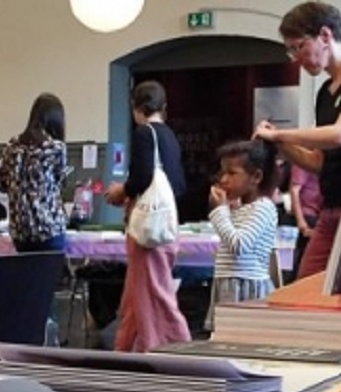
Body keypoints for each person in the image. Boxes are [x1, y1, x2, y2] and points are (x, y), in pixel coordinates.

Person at [253, 1, 341, 279]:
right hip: (332, 208)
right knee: (306, 287)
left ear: (325, 36)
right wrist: (280, 144)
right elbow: (318, 162)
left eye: (298, 47)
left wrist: (279, 133)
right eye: (290, 50)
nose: (295, 58)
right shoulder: (325, 92)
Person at [104, 80, 191, 352]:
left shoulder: (144, 133)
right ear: (164, 107)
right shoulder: (170, 136)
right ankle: (124, 348)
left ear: (135, 107)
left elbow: (141, 178)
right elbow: (179, 184)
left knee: (155, 294)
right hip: (166, 225)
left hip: (147, 231)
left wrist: (121, 191)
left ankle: (174, 348)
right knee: (136, 295)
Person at [206, 140, 280, 330]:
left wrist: (219, 211)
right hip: (228, 283)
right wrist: (226, 211)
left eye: (231, 173)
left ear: (256, 177)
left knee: (244, 334)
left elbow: (239, 245)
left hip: (247, 287)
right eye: (222, 173)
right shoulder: (239, 208)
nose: (223, 180)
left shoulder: (263, 207)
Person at [0, 92, 70, 252]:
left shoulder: (11, 147)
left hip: (20, 230)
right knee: (50, 268)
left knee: (26, 268)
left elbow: (0, 184)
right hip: (48, 227)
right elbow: (60, 182)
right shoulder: (56, 148)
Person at [288, 162, 321, 274]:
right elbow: (294, 190)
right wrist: (301, 221)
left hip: (318, 215)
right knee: (302, 260)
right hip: (307, 215)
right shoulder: (303, 161)